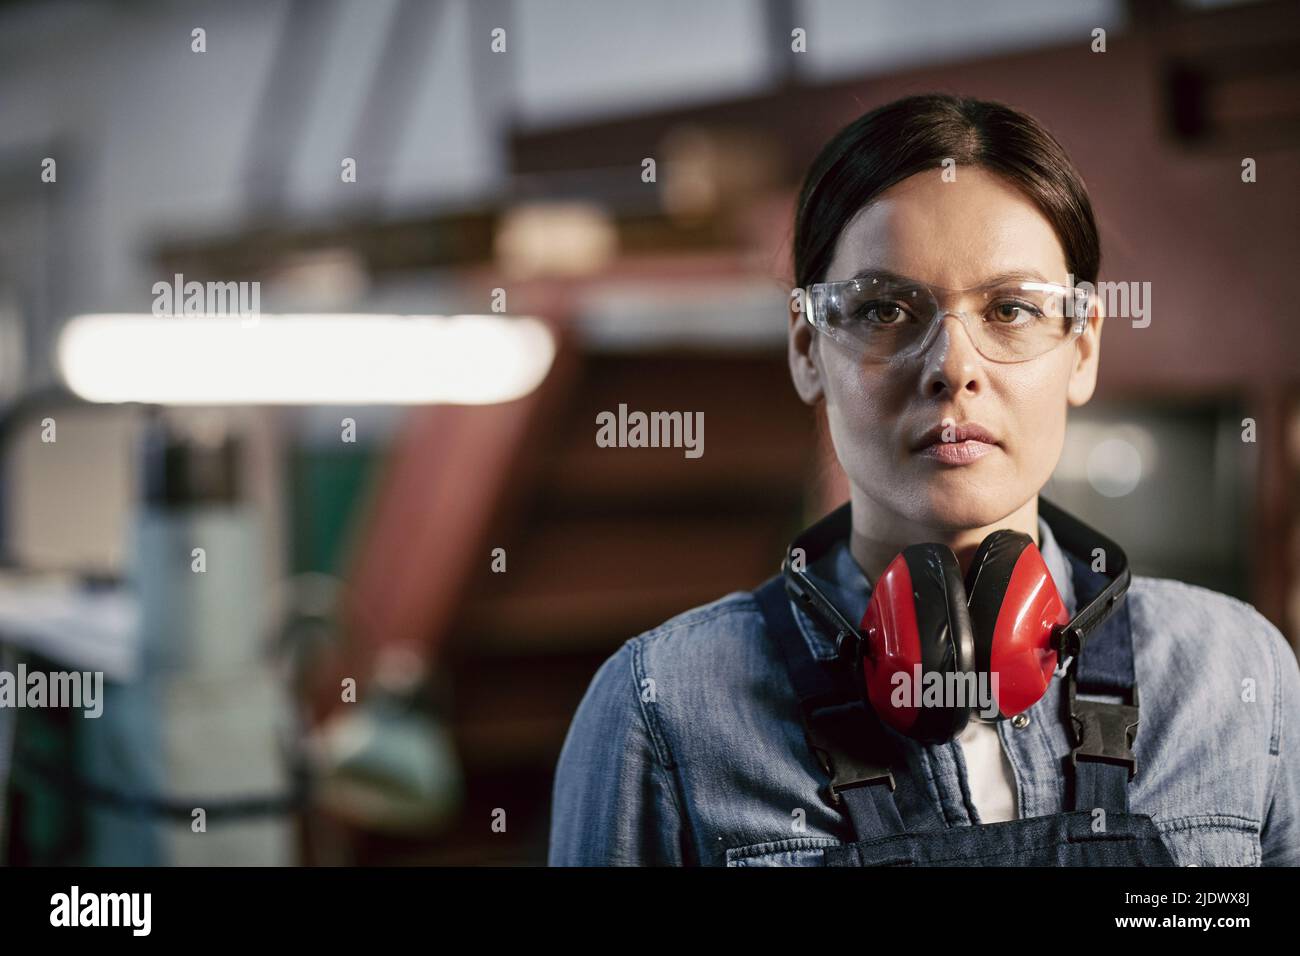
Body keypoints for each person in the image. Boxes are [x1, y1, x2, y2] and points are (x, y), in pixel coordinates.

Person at [547, 93, 1300, 866]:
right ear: (808, 351)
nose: (955, 367)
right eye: (883, 310)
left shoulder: (1236, 678)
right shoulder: (663, 709)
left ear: (1082, 349)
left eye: (1010, 308)